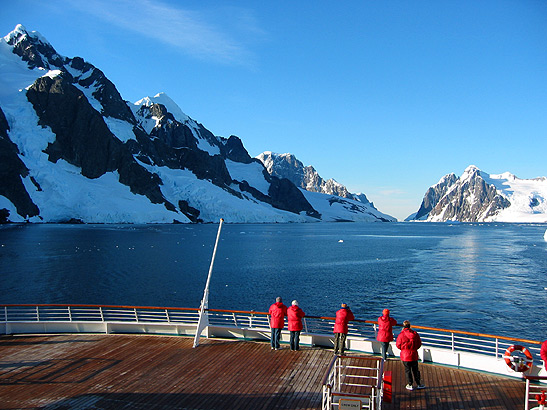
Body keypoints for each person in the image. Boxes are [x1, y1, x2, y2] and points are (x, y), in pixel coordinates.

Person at [396, 320, 425, 390]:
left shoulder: (401, 335)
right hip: (413, 354)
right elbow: (419, 344)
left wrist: (403, 349)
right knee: (415, 370)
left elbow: (398, 345)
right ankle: (418, 384)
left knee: (407, 370)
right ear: (409, 326)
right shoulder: (415, 334)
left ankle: (410, 384)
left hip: (405, 355)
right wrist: (414, 348)